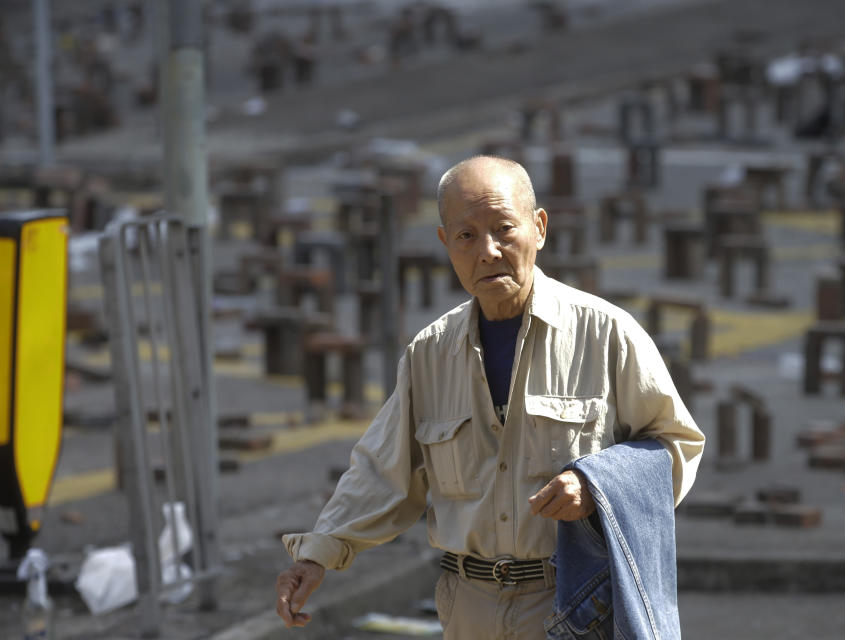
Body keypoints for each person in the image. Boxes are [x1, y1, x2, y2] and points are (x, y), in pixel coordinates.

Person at [275, 156, 705, 638]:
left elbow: (675, 445)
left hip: (576, 603)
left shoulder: (606, 334)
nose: (488, 251)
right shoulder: (429, 353)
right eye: (466, 236)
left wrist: (596, 485)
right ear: (445, 244)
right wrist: (316, 556)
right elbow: (382, 472)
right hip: (467, 606)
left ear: (539, 228)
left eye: (504, 228)